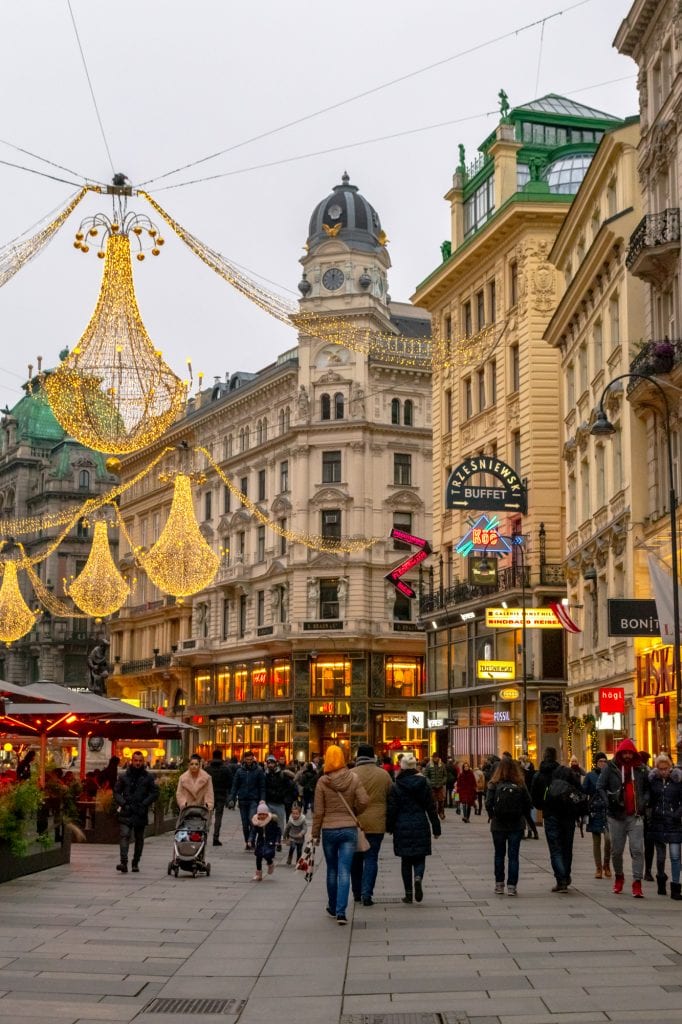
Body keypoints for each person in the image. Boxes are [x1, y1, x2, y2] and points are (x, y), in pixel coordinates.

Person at [312, 744, 369, 925]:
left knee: (332, 869)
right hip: (348, 828)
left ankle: (332, 905)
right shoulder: (354, 778)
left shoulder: (323, 781)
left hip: (329, 829)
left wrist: (315, 833)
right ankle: (341, 912)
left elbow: (318, 811)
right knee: (345, 869)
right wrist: (354, 812)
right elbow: (364, 800)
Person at [597, 738, 650, 897]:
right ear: (620, 753)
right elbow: (600, 786)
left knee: (637, 850)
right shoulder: (610, 768)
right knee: (616, 851)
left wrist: (643, 803)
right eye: (625, 753)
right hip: (616, 816)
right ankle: (619, 877)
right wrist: (608, 802)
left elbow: (648, 790)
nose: (627, 756)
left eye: (630, 753)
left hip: (635, 816)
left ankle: (637, 882)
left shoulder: (641, 769)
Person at [386, 753, 441, 904]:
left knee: (406, 860)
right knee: (419, 857)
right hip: (420, 822)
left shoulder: (397, 785)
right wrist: (436, 828)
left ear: (402, 767)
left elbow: (392, 808)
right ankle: (418, 877)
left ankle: (408, 893)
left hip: (402, 824)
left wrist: (389, 826)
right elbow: (431, 807)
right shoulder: (423, 784)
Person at [531, 746, 583, 893]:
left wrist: (544, 806)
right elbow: (579, 790)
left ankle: (561, 879)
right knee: (567, 846)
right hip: (568, 815)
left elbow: (534, 797)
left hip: (550, 815)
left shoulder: (539, 775)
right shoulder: (566, 772)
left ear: (543, 756)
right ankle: (565, 875)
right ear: (556, 757)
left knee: (555, 848)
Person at [350, 743, 392, 906]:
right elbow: (391, 797)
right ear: (373, 756)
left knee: (355, 858)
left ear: (358, 757)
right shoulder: (384, 775)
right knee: (372, 857)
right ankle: (367, 893)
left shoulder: (351, 774)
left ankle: (357, 892)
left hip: (356, 822)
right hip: (377, 822)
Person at [485, 755, 532, 895]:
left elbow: (488, 803)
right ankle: (512, 886)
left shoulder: (494, 783)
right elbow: (528, 803)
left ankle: (499, 885)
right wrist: (520, 813)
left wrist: (492, 815)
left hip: (498, 825)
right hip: (516, 825)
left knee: (499, 855)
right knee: (513, 856)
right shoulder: (520, 783)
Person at [113, 750, 159, 873]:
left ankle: (135, 863)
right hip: (127, 810)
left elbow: (155, 792)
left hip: (140, 811)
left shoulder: (148, 777)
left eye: (140, 761)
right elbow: (116, 792)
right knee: (124, 836)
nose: (137, 763)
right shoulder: (124, 776)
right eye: (135, 760)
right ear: (131, 761)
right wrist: (123, 803)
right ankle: (123, 862)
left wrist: (144, 804)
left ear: (143, 762)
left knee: (139, 838)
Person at [647, 753, 682, 899]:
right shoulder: (653, 782)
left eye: (666, 768)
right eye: (661, 768)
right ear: (657, 768)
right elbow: (649, 798)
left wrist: (677, 814)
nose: (663, 771)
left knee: (675, 856)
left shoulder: (677, 782)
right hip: (658, 822)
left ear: (670, 767)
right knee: (660, 857)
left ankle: (675, 887)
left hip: (673, 823)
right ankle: (661, 880)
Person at [228, 750, 266, 850]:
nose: (249, 761)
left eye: (250, 759)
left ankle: (251, 839)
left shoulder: (258, 770)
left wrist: (262, 799)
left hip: (254, 799)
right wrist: (232, 798)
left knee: (252, 820)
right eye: (247, 759)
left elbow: (262, 786)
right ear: (244, 759)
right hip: (242, 800)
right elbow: (235, 786)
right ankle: (247, 842)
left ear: (253, 759)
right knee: (245, 823)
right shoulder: (239, 771)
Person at [582, 752, 611, 879]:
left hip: (607, 810)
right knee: (596, 841)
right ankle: (598, 867)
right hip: (594, 810)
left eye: (605, 761)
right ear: (596, 762)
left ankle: (607, 864)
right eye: (600, 761)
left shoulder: (610, 775)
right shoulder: (590, 775)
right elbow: (584, 790)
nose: (603, 763)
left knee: (609, 839)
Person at [204, 748, 233, 846]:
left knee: (207, 816)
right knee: (218, 817)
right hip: (221, 795)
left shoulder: (207, 769)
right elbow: (230, 783)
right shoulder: (226, 769)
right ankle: (216, 837)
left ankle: (204, 836)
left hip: (209, 795)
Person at [264, 754, 296, 834]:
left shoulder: (282, 774)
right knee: (267, 823)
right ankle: (269, 841)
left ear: (275, 763)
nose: (270, 765)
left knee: (280, 824)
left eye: (272, 763)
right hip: (268, 802)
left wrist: (284, 795)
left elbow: (290, 786)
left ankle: (278, 841)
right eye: (269, 763)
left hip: (279, 803)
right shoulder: (265, 775)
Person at [249, 801, 282, 881]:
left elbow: (278, 831)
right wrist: (250, 839)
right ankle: (259, 874)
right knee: (258, 856)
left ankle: (270, 863)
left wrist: (278, 840)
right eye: (260, 814)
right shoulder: (257, 822)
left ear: (267, 814)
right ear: (257, 814)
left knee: (268, 854)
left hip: (270, 841)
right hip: (260, 841)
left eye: (264, 814)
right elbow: (253, 832)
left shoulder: (272, 822)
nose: (262, 816)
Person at [423, 752, 448, 820]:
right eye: (434, 757)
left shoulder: (442, 765)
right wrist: (429, 782)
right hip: (432, 786)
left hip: (440, 786)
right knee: (433, 801)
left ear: (438, 758)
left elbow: (445, 775)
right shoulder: (428, 765)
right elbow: (426, 775)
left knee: (441, 800)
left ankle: (441, 812)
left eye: (436, 757)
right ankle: (433, 813)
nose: (435, 758)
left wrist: (443, 782)